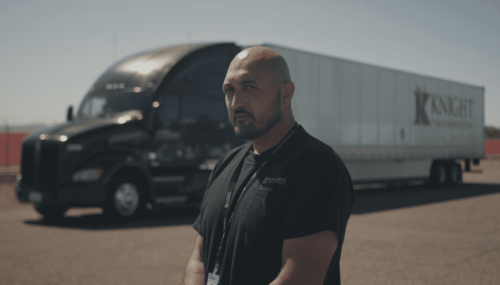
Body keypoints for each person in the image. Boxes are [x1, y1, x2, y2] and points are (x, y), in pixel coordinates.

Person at [183, 46, 354, 285]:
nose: (235, 102)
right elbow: (199, 258)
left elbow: (302, 274)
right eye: (229, 90)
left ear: (286, 94)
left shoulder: (317, 165)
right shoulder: (226, 163)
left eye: (249, 87)